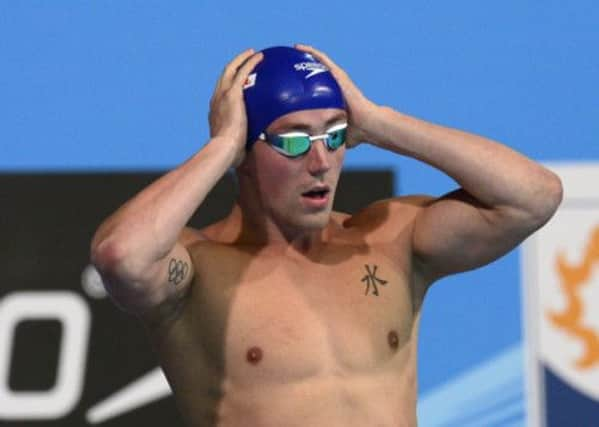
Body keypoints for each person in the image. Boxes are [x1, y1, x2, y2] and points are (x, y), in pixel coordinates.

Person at [91, 45, 563, 426]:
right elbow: (121, 255)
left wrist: (379, 122)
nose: (321, 163)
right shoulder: (199, 270)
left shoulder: (389, 240)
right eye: (294, 142)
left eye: (335, 136)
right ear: (243, 154)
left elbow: (534, 197)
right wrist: (220, 146)